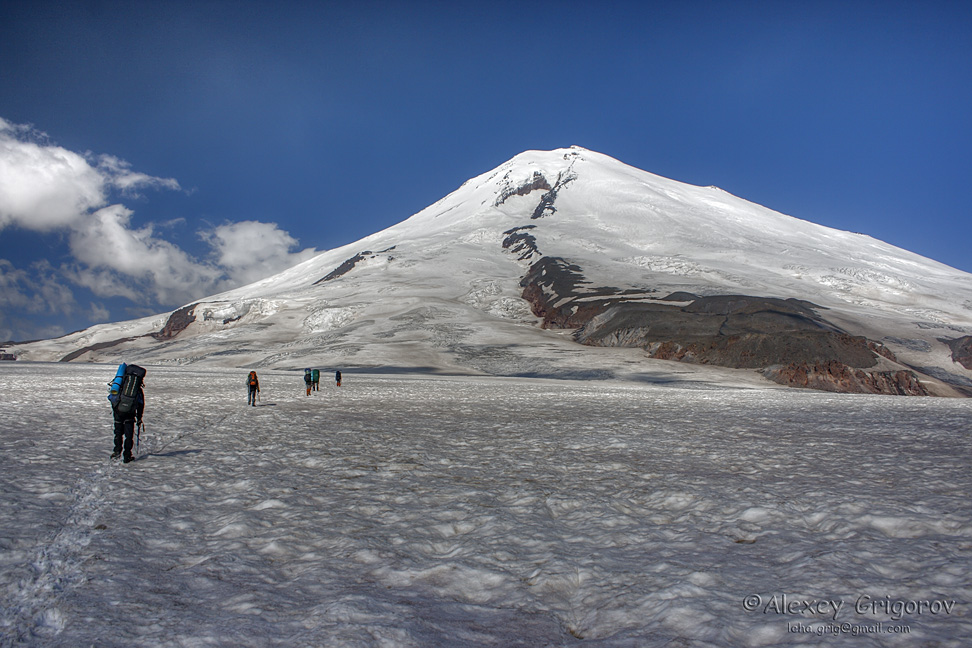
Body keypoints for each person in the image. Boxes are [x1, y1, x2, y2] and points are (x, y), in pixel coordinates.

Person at [111, 371, 145, 464]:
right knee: (128, 436)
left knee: (118, 433)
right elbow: (140, 404)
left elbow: (112, 397)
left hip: (118, 412)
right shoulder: (137, 389)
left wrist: (115, 408)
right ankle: (127, 456)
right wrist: (139, 418)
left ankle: (117, 452)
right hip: (130, 414)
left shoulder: (121, 386)